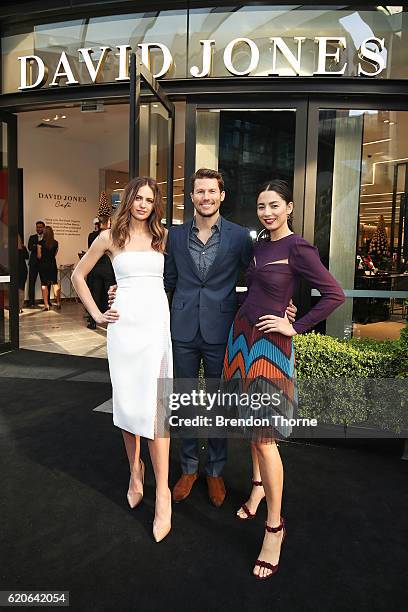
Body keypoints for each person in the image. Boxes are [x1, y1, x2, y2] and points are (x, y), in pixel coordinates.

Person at [109, 169, 296, 507]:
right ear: (191, 197)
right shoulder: (175, 236)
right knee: (182, 403)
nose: (206, 197)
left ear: (221, 195)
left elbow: (258, 280)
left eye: (212, 191)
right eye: (199, 192)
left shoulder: (241, 237)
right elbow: (162, 278)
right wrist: (121, 291)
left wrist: (283, 306)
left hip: (221, 329)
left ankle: (215, 471)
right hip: (179, 329)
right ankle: (190, 468)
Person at [222, 179, 345, 579]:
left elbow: (334, 293)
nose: (267, 212)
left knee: (264, 435)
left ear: (289, 207)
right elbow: (260, 289)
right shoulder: (259, 245)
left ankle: (274, 528)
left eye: (274, 205)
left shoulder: (299, 247)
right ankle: (257, 486)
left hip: (271, 347)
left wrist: (297, 326)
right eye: (261, 206)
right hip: (241, 339)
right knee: (248, 426)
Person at [72, 177, 172, 543]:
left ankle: (162, 493)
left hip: (156, 330)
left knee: (158, 410)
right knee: (129, 405)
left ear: (154, 204)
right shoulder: (109, 237)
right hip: (124, 329)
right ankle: (135, 469)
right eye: (138, 198)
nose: (143, 204)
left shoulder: (163, 237)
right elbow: (78, 275)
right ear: (128, 200)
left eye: (150, 199)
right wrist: (98, 314)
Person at [86, 215, 116, 330]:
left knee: (95, 294)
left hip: (96, 268)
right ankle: (111, 320)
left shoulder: (92, 235)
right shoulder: (111, 236)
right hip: (108, 269)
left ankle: (93, 321)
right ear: (108, 222)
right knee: (110, 295)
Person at [37, 225, 61, 311]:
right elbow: (55, 254)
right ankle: (58, 302)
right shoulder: (56, 243)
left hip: (43, 265)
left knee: (44, 284)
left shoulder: (40, 243)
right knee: (55, 283)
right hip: (52, 264)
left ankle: (46, 305)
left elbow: (39, 256)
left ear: (44, 233)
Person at [27, 221, 45, 307]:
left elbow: (47, 249)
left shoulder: (46, 238)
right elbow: (30, 247)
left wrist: (36, 246)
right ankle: (31, 302)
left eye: (40, 227)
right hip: (33, 264)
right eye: (37, 227)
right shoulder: (32, 237)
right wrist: (38, 246)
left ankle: (47, 301)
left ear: (43, 228)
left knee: (45, 283)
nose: (38, 229)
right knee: (31, 283)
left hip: (43, 264)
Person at [18, 234, 29, 313]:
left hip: (14, 270)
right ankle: (20, 307)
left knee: (14, 289)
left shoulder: (8, 247)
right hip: (23, 270)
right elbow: (27, 257)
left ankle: (15, 306)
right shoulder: (23, 247)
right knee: (21, 288)